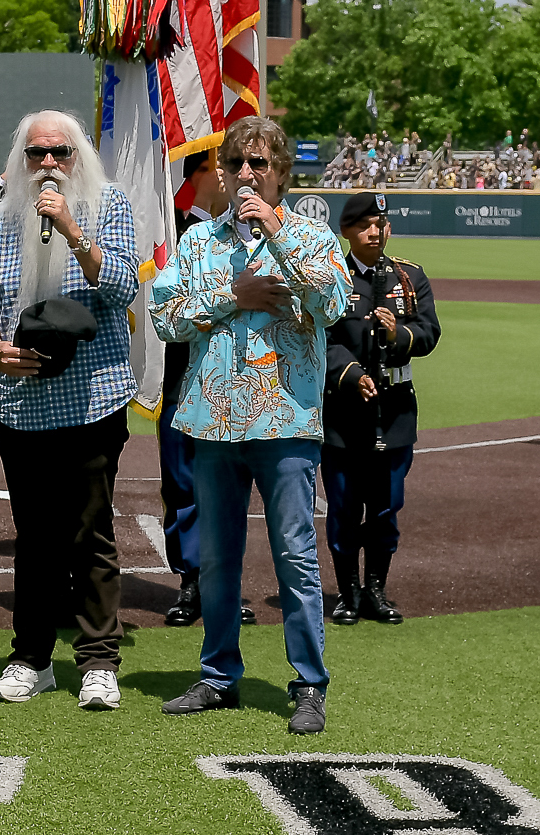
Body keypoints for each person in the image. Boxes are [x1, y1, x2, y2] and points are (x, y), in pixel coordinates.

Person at [151, 115, 347, 735]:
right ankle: (217, 676)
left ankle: (309, 685)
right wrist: (232, 296)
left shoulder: (312, 237)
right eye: (237, 163)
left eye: (260, 164)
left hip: (286, 421)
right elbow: (166, 318)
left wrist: (279, 234)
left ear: (282, 175)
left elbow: (334, 303)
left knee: (294, 554)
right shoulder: (198, 241)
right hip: (213, 423)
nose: (247, 175)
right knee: (217, 560)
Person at [0, 109, 138, 713]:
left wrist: (71, 229)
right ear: (21, 158)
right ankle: (31, 659)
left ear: (79, 156)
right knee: (34, 537)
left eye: (59, 153)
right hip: (21, 404)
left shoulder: (109, 206)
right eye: (37, 153)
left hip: (93, 399)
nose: (48, 164)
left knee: (90, 531)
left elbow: (122, 288)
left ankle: (97, 661)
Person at [320, 191, 438, 625]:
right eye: (366, 225)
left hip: (394, 413)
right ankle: (348, 592)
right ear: (347, 231)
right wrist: (350, 374)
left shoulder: (409, 277)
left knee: (386, 509)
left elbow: (428, 332)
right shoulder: (333, 278)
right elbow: (322, 338)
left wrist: (397, 335)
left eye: (381, 224)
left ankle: (376, 590)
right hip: (344, 417)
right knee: (345, 508)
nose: (376, 232)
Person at [156, 151, 255, 627]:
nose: (222, 172)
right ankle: (192, 579)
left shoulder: (256, 231)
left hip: (243, 383)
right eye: (210, 165)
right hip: (183, 378)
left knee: (233, 488)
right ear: (190, 177)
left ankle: (227, 582)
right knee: (182, 484)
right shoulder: (170, 231)